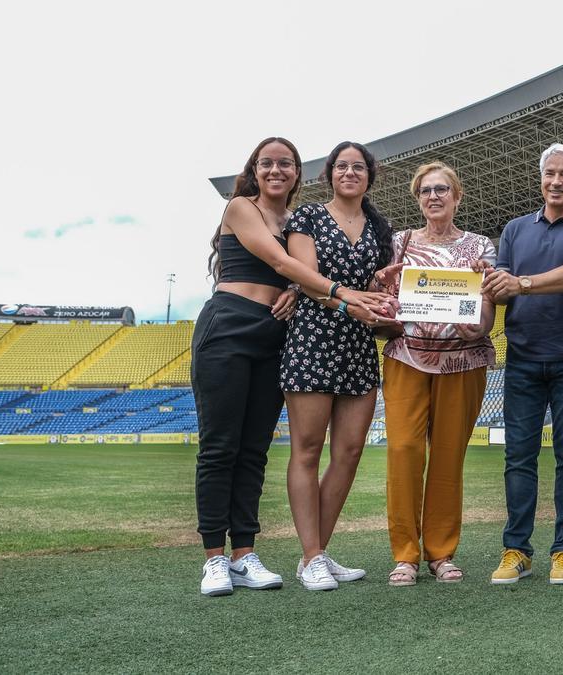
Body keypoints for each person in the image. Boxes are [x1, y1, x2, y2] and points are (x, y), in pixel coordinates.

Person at [193, 137, 390, 597]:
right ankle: (214, 559)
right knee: (220, 448)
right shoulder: (243, 207)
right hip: (229, 325)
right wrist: (341, 295)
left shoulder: (294, 219)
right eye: (268, 163)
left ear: (299, 173)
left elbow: (300, 271)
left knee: (254, 450)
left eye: (286, 164)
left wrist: (301, 291)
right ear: (255, 169)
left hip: (274, 334)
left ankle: (244, 554)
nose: (276, 170)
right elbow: (282, 261)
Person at [478, 143, 563, 585]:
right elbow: (498, 288)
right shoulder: (515, 229)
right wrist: (488, 277)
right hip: (522, 357)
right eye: (549, 173)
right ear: (541, 179)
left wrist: (521, 283)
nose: (556, 181)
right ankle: (516, 549)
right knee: (519, 457)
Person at [281, 141, 400, 591]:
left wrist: (379, 284)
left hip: (357, 343)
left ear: (370, 176)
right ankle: (310, 555)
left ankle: (317, 554)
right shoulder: (307, 217)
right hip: (313, 337)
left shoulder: (379, 226)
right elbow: (307, 281)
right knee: (307, 451)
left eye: (358, 167)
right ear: (329, 174)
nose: (349, 173)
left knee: (348, 452)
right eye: (341, 166)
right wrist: (351, 303)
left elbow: (370, 286)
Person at [379, 162, 497, 586]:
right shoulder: (399, 243)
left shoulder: (480, 246)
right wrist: (384, 297)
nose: (434, 196)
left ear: (457, 195)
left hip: (462, 362)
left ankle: (441, 553)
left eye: (442, 189)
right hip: (407, 357)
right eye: (426, 190)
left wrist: (479, 325)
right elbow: (383, 296)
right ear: (418, 198)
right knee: (404, 452)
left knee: (448, 457)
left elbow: (486, 306)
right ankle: (405, 555)